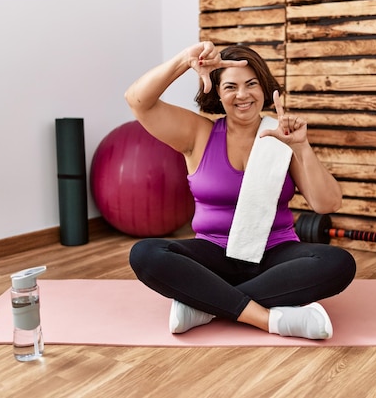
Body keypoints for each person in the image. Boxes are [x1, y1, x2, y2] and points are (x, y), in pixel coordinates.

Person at [124, 41, 356, 340]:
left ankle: (205, 305)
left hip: (275, 254)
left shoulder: (281, 136)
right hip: (212, 254)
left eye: (251, 84)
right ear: (217, 93)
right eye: (231, 87)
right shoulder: (198, 133)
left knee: (339, 264)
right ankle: (268, 319)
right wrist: (185, 60)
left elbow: (327, 204)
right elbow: (137, 100)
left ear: (265, 88)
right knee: (146, 254)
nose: (242, 95)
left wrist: (301, 147)